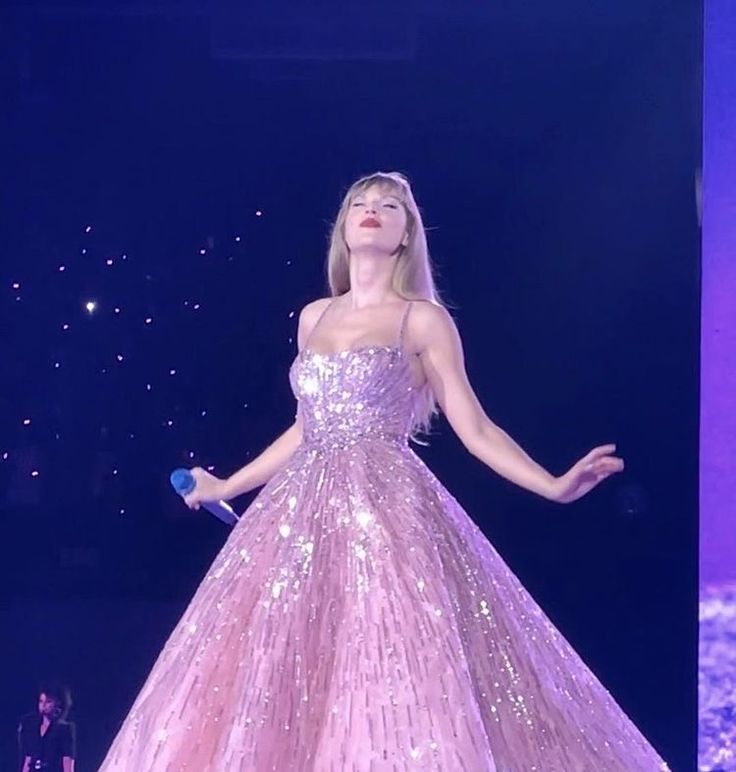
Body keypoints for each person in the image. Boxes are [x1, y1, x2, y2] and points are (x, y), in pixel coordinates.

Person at [100, 172, 669, 770]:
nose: (373, 211)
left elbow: (475, 428)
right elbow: (305, 429)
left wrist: (552, 485)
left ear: (405, 235)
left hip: (386, 515)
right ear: (344, 230)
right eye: (360, 205)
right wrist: (226, 485)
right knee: (282, 671)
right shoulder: (312, 317)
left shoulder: (422, 320)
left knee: (384, 666)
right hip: (296, 522)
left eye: (389, 206)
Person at [18, 685, 76, 772]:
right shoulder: (32, 728)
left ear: (58, 704)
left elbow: (67, 761)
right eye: (41, 701)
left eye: (48, 701)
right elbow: (28, 759)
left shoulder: (64, 729)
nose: (43, 705)